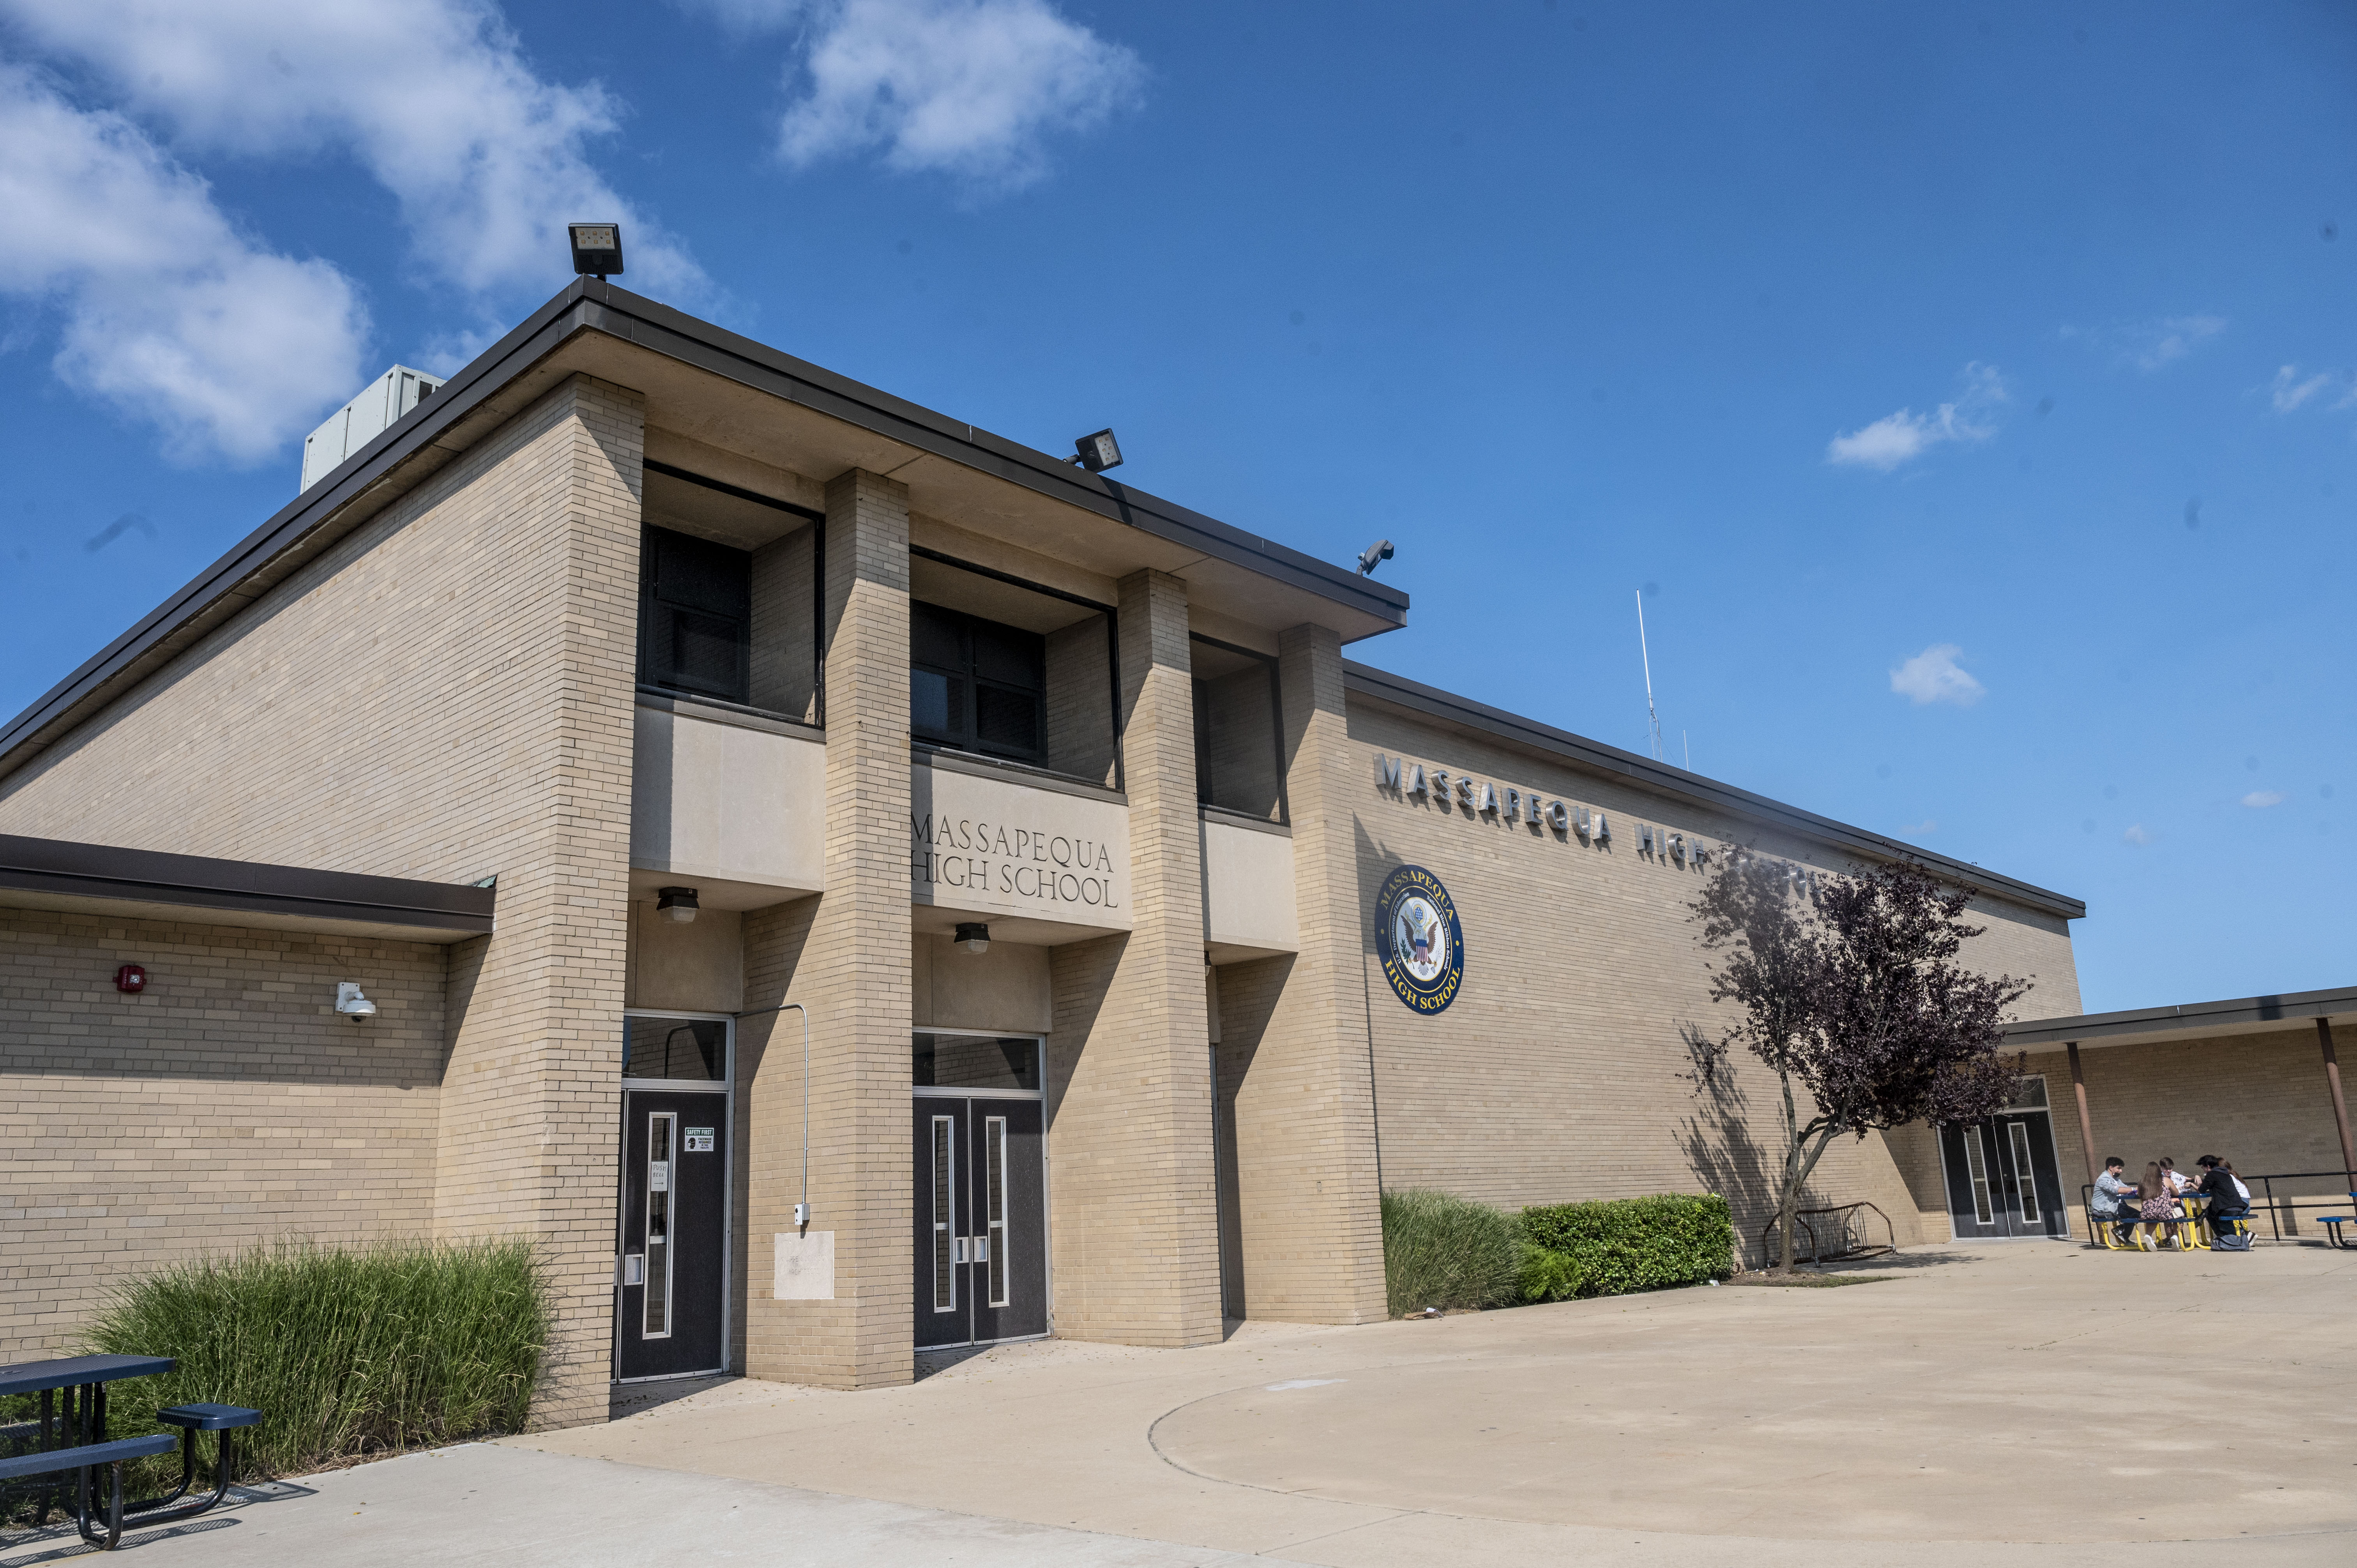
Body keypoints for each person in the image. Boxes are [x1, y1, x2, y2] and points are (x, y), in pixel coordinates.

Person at [2197, 1156, 2254, 1250]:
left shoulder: (2212, 1175)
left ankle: (2243, 1236)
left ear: (2208, 1167)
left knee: (2219, 1220)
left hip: (2232, 1205)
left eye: (2202, 1167)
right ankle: (2225, 1238)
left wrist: (2192, 1184)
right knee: (2212, 1211)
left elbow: (2202, 1191)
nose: (2202, 1169)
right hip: (2240, 1204)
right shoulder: (2227, 1174)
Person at [2090, 1157, 2139, 1245]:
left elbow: (2126, 1189)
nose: (2121, 1171)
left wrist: (2138, 1191)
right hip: (2105, 1209)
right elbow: (2116, 1190)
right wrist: (2134, 1189)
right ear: (2111, 1168)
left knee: (2139, 1215)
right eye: (2119, 1168)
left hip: (2117, 1206)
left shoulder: (2116, 1180)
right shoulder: (2104, 1179)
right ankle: (2121, 1233)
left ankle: (2121, 1233)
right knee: (2133, 1215)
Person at [2136, 1161, 2182, 1248]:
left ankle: (2149, 1235)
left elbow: (2140, 1195)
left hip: (2148, 1212)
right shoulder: (2165, 1180)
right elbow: (2176, 1193)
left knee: (2154, 1218)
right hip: (2165, 1211)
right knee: (2180, 1215)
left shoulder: (2142, 1182)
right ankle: (2175, 1236)